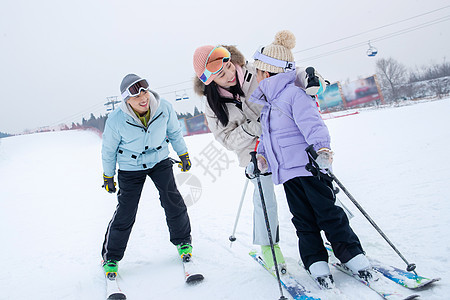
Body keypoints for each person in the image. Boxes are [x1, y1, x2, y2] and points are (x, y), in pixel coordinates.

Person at [249, 30, 372, 289]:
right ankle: (315, 260)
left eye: (258, 72)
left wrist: (322, 150)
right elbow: (269, 139)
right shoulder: (269, 105)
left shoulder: (294, 95)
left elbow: (313, 124)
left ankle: (350, 253)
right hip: (289, 174)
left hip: (310, 168)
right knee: (302, 219)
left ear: (268, 72)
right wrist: (261, 157)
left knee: (328, 213)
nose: (256, 77)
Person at [192, 44, 325, 272]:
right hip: (255, 153)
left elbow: (291, 75)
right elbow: (225, 139)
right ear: (210, 80)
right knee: (264, 196)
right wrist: (254, 128)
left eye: (229, 67)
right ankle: (269, 247)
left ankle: (334, 230)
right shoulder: (212, 104)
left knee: (314, 183)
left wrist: (311, 77)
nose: (230, 75)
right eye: (221, 76)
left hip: (287, 142)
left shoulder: (258, 70)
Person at [100, 74, 193, 275]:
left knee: (173, 200)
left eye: (145, 92)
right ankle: (111, 257)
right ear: (127, 100)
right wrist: (108, 176)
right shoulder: (116, 120)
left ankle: (183, 242)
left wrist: (183, 154)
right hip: (130, 167)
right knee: (126, 211)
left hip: (159, 160)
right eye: (136, 96)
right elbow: (108, 150)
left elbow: (175, 132)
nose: (143, 99)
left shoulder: (163, 107)